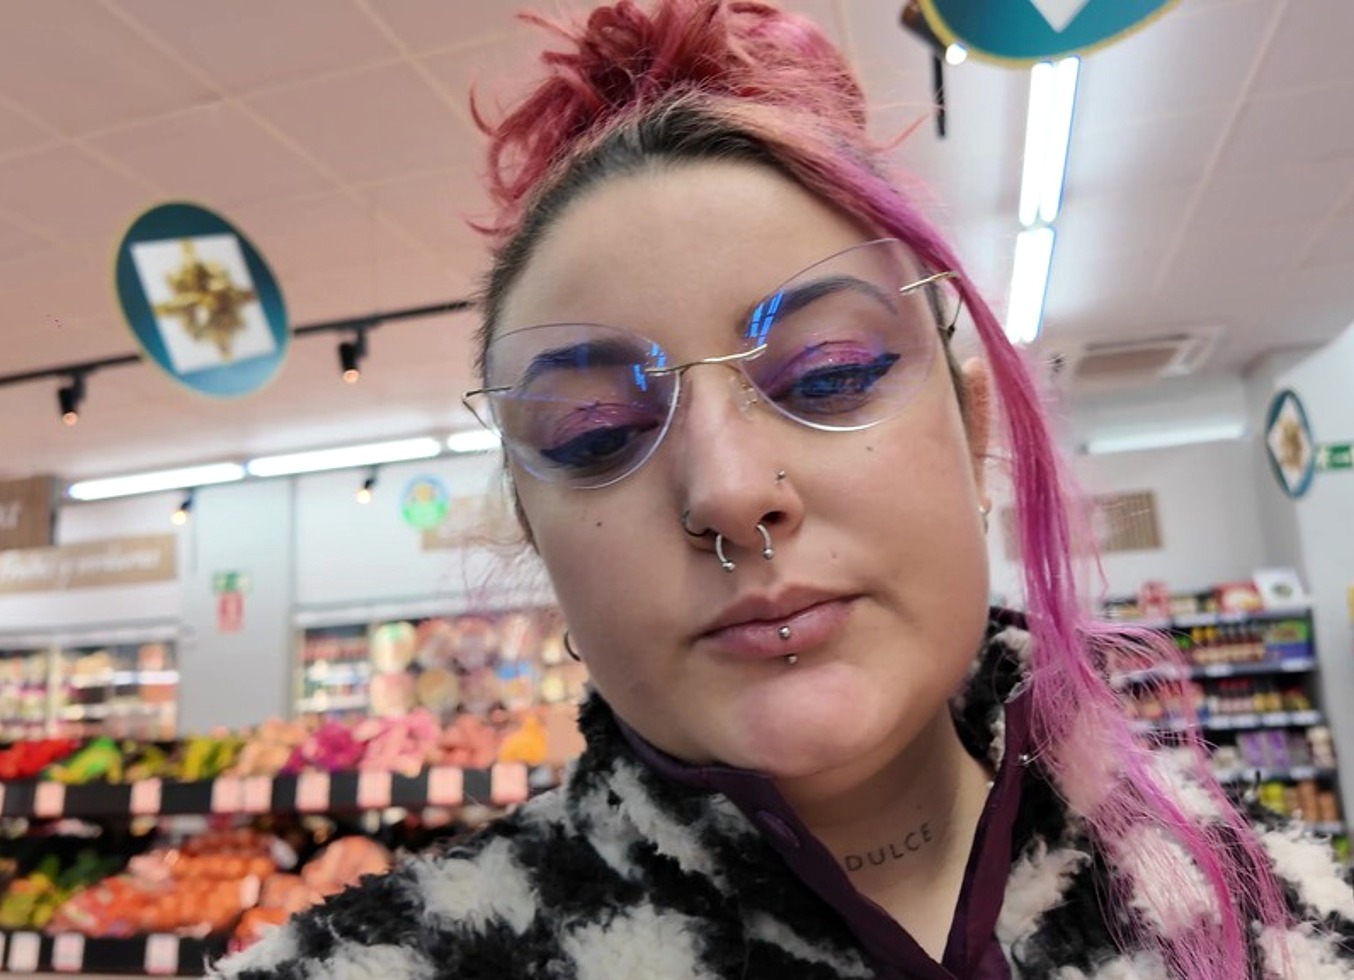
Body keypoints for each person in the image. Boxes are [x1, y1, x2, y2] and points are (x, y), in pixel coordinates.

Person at [216, 2, 1354, 977]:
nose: (726, 489)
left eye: (832, 373)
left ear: (969, 430)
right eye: (597, 429)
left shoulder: (1282, 926)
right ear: (532, 527)